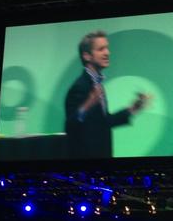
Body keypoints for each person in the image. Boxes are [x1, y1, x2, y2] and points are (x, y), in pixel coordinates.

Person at [64, 30, 149, 159]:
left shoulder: (97, 84)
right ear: (87, 56)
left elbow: (103, 123)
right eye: (101, 49)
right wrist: (87, 105)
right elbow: (70, 125)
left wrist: (133, 109)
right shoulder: (80, 86)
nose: (107, 53)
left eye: (107, 48)